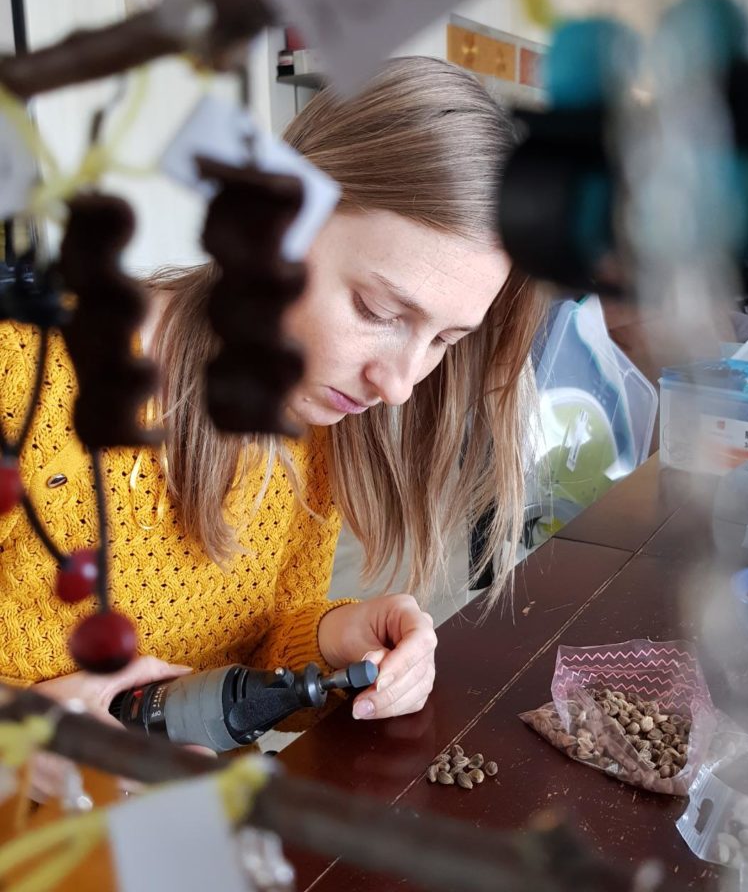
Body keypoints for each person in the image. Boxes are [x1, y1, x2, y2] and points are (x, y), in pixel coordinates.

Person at [0, 56, 544, 791]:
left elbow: (253, 641)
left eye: (446, 340)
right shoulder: (27, 381)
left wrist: (333, 637)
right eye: (379, 313)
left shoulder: (309, 419)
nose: (402, 384)